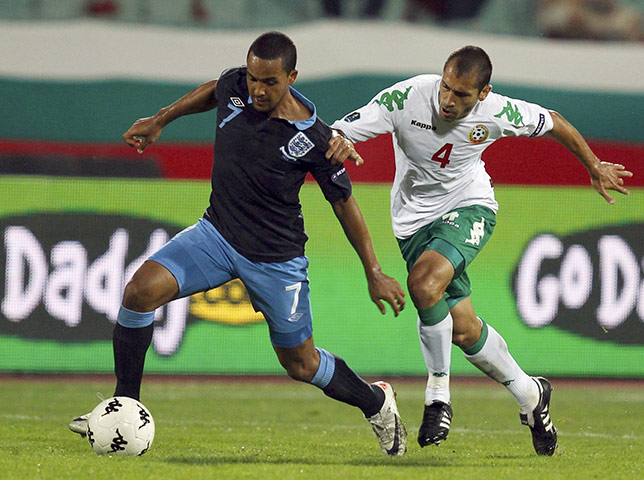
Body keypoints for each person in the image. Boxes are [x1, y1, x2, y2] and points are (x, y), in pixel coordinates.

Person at [68, 31, 408, 456]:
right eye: (252, 79)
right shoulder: (236, 87)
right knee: (138, 293)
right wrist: (161, 119)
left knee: (301, 364)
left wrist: (373, 272)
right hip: (216, 234)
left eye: (269, 82)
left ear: (292, 77)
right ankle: (122, 409)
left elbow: (344, 204)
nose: (257, 90)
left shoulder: (318, 139)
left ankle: (376, 402)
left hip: (275, 259)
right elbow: (214, 90)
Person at [326, 45, 632, 456]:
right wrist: (338, 140)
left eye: (463, 95)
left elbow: (554, 122)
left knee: (423, 282)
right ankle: (530, 394)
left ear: (483, 93)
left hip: (469, 207)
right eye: (447, 89)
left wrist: (593, 165)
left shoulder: (499, 112)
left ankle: (438, 397)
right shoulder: (408, 97)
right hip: (413, 223)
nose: (449, 101)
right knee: (464, 328)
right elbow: (339, 128)